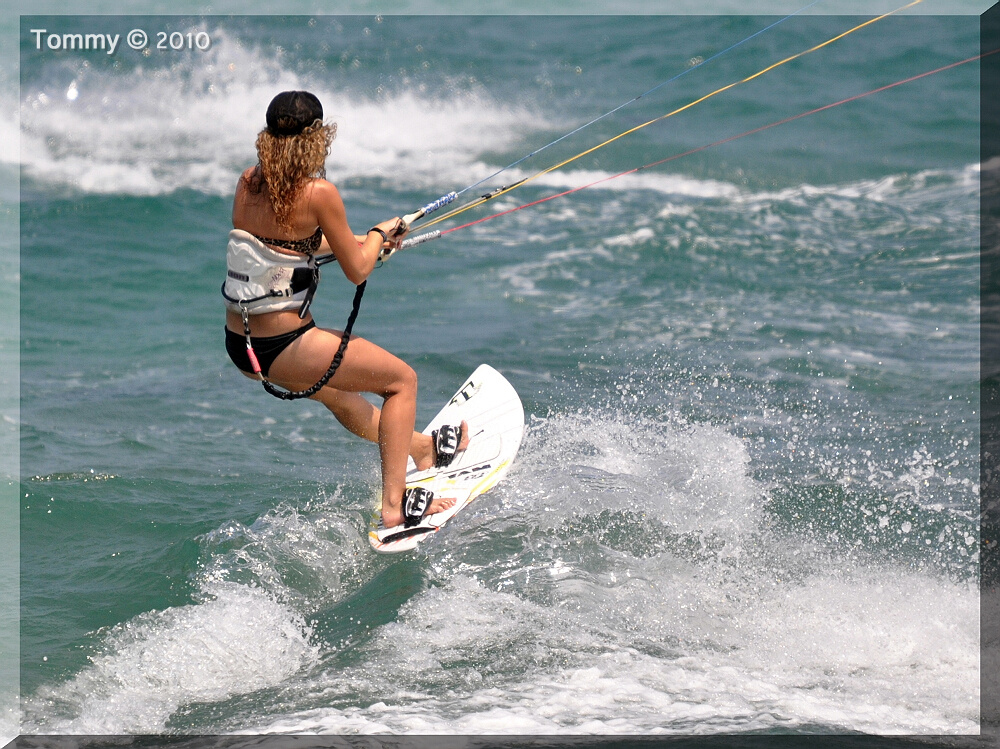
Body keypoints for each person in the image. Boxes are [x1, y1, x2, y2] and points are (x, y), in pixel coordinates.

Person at [223, 90, 467, 531]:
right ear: (317, 140)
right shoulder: (319, 192)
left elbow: (282, 244)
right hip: (284, 345)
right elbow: (357, 272)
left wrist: (357, 242)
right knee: (400, 381)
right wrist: (375, 236)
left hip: (242, 347)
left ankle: (421, 451)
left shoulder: (248, 182)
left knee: (338, 395)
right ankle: (394, 507)